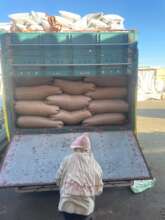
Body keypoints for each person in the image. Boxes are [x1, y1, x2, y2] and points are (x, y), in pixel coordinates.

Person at [56, 133, 103, 220]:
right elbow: (98, 189)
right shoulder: (95, 164)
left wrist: (64, 186)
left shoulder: (67, 159)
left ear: (74, 148)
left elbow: (58, 177)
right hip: (85, 210)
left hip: (66, 206)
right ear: (88, 149)